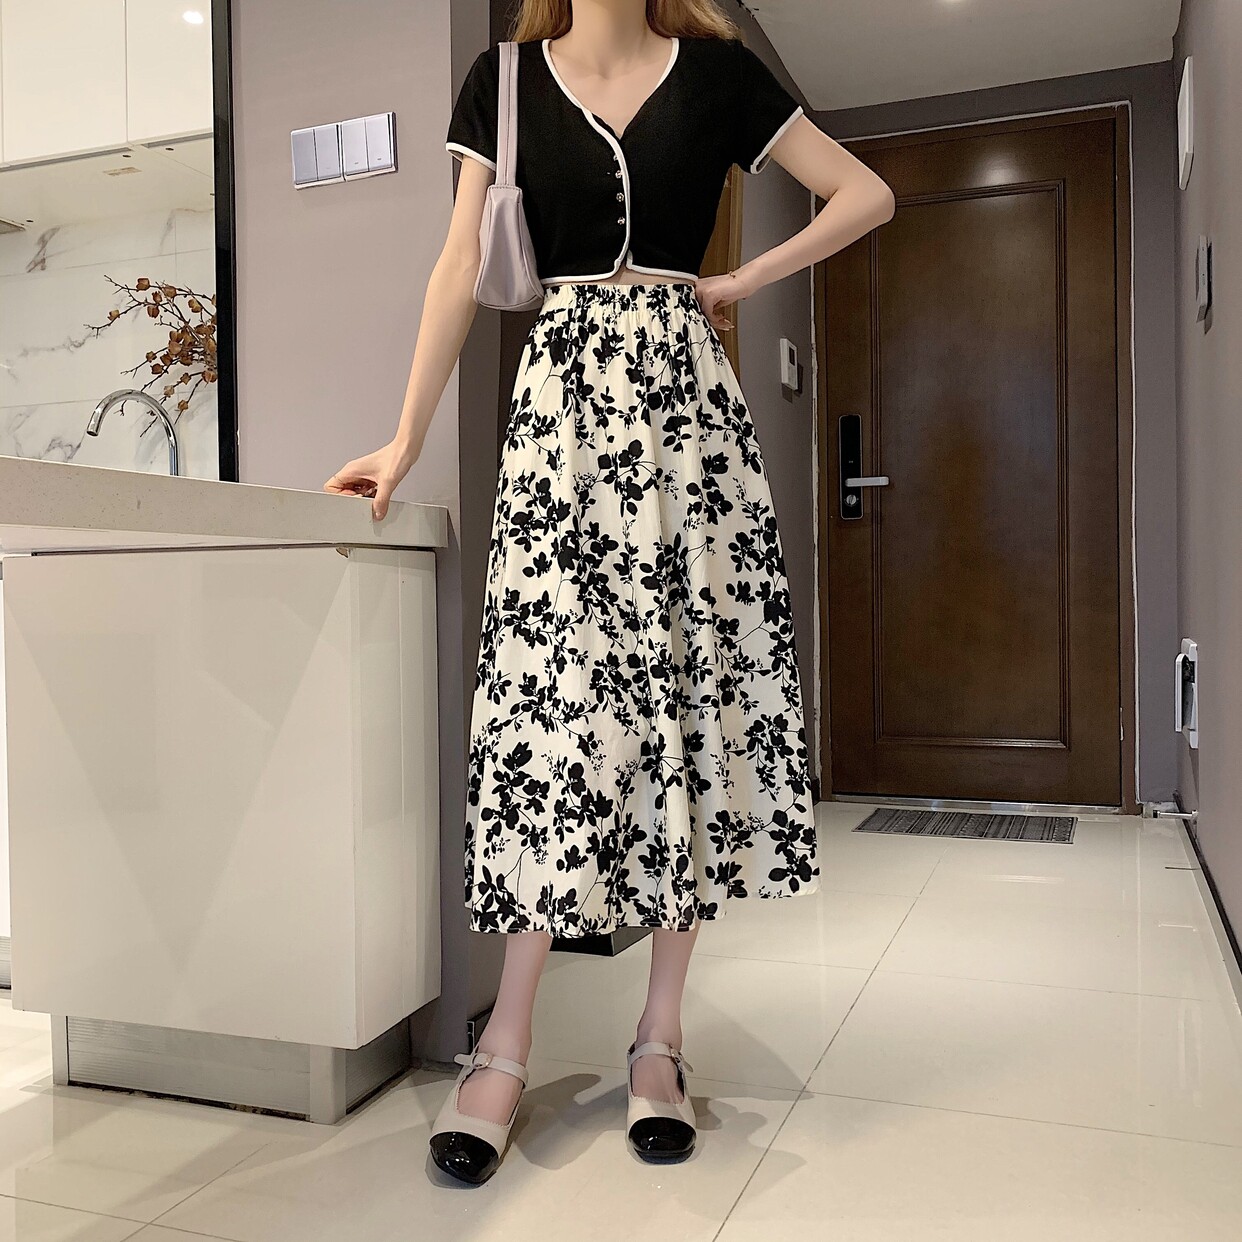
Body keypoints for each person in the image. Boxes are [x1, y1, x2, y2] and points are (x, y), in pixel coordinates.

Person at [324, 0, 894, 1186]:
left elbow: (865, 195)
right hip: (563, 430)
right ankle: (505, 1043)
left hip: (690, 431)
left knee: (686, 706)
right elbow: (456, 265)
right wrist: (404, 436)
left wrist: (738, 279)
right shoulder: (506, 80)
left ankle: (659, 1040)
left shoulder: (723, 77)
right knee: (551, 721)